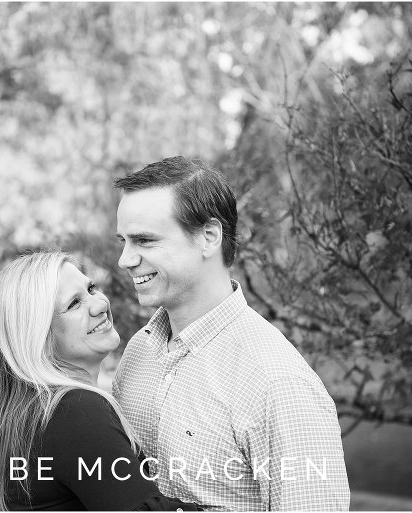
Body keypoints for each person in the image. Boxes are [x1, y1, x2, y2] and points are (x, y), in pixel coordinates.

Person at [112, 156, 350, 511]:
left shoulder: (276, 382)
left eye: (144, 241)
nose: (125, 260)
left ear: (208, 237)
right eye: (124, 241)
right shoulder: (139, 353)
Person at [0, 251, 197, 511]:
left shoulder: (28, 413)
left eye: (91, 288)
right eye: (74, 304)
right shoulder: (75, 411)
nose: (100, 304)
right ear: (39, 335)